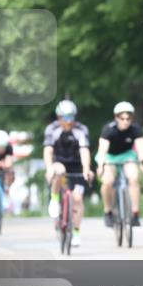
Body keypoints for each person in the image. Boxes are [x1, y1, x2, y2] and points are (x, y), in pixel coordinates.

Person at [44, 100, 93, 247]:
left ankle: (76, 233)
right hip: (58, 162)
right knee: (59, 171)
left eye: (72, 117)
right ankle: (54, 199)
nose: (69, 121)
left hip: (77, 165)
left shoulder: (81, 129)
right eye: (65, 117)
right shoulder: (52, 129)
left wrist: (86, 168)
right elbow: (48, 150)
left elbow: (84, 150)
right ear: (59, 117)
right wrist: (49, 168)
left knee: (77, 199)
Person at [96, 101, 143, 229]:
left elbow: (141, 149)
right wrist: (101, 165)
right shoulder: (108, 129)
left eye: (128, 118)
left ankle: (135, 213)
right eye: (122, 118)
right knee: (107, 181)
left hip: (127, 155)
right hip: (110, 156)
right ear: (116, 118)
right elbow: (102, 150)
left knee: (134, 178)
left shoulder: (135, 129)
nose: (125, 121)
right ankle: (107, 211)